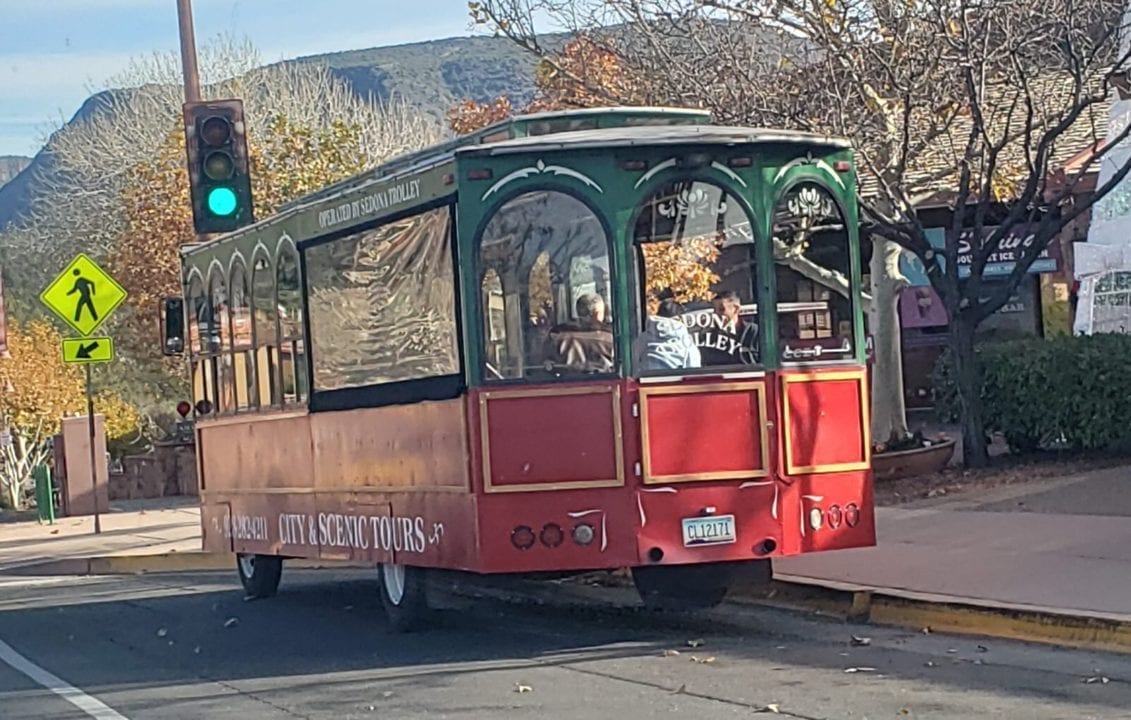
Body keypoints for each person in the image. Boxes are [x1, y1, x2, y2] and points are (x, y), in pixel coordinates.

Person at [543, 293, 615, 373]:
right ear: (597, 313)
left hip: (566, 382)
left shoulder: (557, 334)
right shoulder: (611, 336)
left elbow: (547, 364)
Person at [633, 292, 701, 371]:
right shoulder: (685, 342)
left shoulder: (644, 338)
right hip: (674, 381)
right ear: (679, 319)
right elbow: (693, 368)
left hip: (647, 380)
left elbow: (634, 363)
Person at [689, 290, 757, 365]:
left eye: (721, 309)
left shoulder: (753, 332)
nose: (716, 314)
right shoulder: (709, 336)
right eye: (715, 310)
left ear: (736, 309)